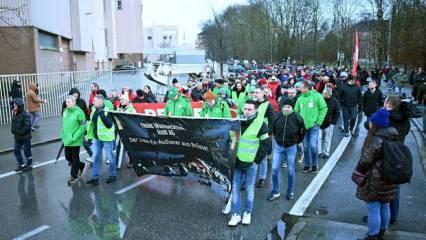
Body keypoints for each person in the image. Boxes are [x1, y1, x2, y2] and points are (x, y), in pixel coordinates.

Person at [354, 109, 398, 240]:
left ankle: (373, 235)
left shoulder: (376, 140)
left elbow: (365, 160)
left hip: (375, 179)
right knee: (385, 205)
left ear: (376, 123)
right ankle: (382, 233)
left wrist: (358, 172)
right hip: (389, 178)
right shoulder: (393, 136)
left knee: (373, 207)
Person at [228, 100, 270, 226]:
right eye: (245, 109)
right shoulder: (236, 123)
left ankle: (247, 213)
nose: (246, 111)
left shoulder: (261, 125)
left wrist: (256, 160)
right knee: (235, 189)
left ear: (255, 110)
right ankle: (236, 214)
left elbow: (266, 144)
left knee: (249, 189)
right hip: (236, 161)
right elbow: (229, 140)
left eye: (249, 109)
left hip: (251, 163)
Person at [269, 98, 305, 201]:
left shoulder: (297, 117)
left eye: (288, 107)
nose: (286, 108)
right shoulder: (278, 116)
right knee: (274, 169)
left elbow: (303, 130)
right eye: (285, 106)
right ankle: (275, 191)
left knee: (290, 170)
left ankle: (290, 191)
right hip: (279, 146)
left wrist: (297, 141)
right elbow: (273, 128)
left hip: (291, 147)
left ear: (292, 108)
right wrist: (277, 138)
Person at [294, 81, 327, 173]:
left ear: (307, 88)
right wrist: (297, 121)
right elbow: (296, 110)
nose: (300, 89)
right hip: (303, 127)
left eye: (302, 87)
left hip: (314, 126)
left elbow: (323, 108)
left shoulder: (317, 96)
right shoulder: (300, 98)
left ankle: (314, 164)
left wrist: (319, 121)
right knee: (305, 147)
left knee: (313, 146)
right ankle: (307, 164)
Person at [86, 95, 117, 185]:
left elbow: (109, 125)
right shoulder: (93, 110)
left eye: (95, 101)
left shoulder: (107, 110)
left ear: (100, 101)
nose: (93, 102)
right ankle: (95, 177)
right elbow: (92, 125)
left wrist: (102, 114)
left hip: (106, 138)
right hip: (97, 138)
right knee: (95, 157)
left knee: (110, 157)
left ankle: (113, 175)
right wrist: (89, 138)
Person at [61, 88, 93, 161]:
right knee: (71, 148)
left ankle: (91, 153)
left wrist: (89, 119)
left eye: (76, 96)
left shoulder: (82, 102)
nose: (75, 97)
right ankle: (73, 160)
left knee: (83, 142)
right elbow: (63, 113)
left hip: (79, 127)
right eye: (74, 96)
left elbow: (85, 111)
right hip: (71, 127)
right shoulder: (66, 102)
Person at [253, 87, 276, 188]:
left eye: (257, 92)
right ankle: (250, 178)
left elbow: (272, 120)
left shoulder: (268, 105)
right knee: (251, 157)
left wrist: (268, 133)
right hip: (252, 133)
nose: (255, 94)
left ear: (263, 94)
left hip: (263, 134)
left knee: (262, 157)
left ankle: (262, 177)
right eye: (254, 92)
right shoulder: (251, 103)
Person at [61, 95, 86, 185]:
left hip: (75, 140)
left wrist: (74, 137)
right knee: (68, 157)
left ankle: (73, 176)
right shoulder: (65, 112)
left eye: (68, 102)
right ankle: (81, 165)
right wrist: (62, 135)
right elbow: (64, 125)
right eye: (66, 102)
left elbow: (83, 126)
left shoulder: (79, 112)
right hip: (67, 139)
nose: (66, 104)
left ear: (74, 102)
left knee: (75, 158)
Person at [318, 87, 340, 159]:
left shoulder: (335, 101)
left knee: (328, 138)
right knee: (319, 137)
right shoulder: (320, 99)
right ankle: (319, 151)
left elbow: (337, 112)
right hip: (319, 122)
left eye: (323, 93)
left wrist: (333, 122)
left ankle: (326, 152)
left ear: (328, 94)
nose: (322, 94)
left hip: (329, 123)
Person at [11, 98, 33, 172]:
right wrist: (13, 130)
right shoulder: (15, 113)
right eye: (13, 105)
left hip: (25, 137)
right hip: (18, 137)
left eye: (15, 105)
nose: (14, 106)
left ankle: (29, 164)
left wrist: (20, 132)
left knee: (27, 151)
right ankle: (21, 164)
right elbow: (13, 124)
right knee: (16, 150)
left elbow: (27, 126)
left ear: (19, 106)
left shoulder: (25, 114)